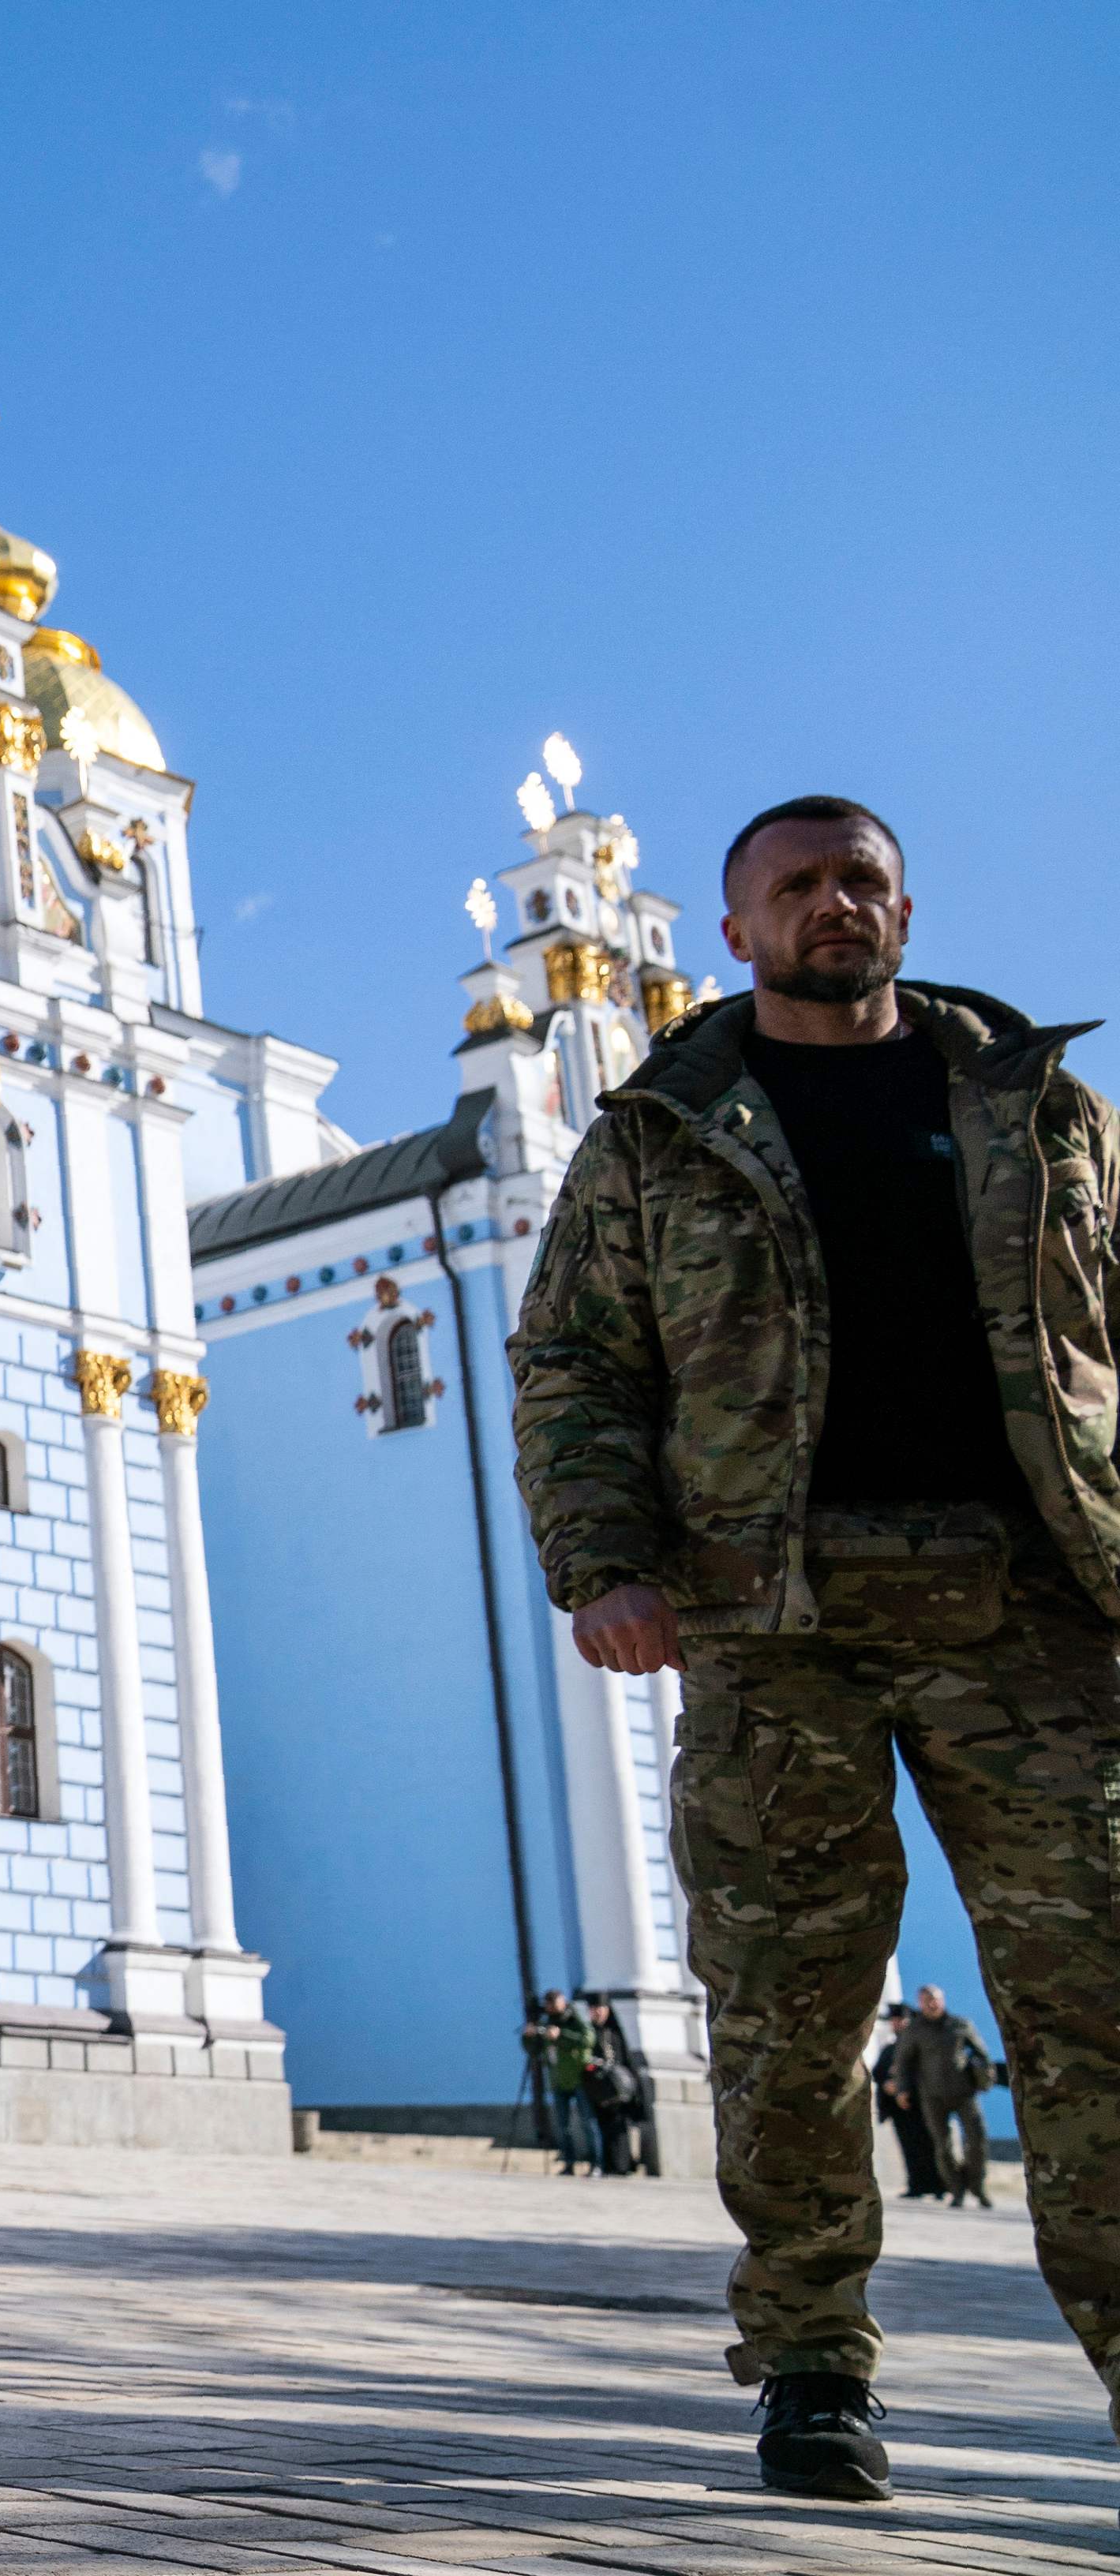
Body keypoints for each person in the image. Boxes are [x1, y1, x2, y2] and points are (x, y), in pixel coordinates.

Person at [512, 795, 1120, 2505]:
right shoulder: (657, 1137)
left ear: (907, 907)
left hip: (1036, 1619)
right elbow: (572, 1367)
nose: (832, 905)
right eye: (797, 886)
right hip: (778, 1630)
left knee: (1099, 2008)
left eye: (860, 879)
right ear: (739, 932)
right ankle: (809, 2363)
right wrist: (605, 1564)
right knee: (788, 2022)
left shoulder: (1044, 1109)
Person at [897, 1984, 997, 2211]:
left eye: (935, 1999)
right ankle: (957, 2190)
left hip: (964, 2093)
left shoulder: (960, 2025)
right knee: (944, 2146)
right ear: (920, 2003)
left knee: (977, 2140)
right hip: (932, 2096)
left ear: (942, 2000)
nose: (931, 2004)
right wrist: (903, 2089)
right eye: (926, 2000)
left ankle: (977, 2185)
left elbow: (982, 2054)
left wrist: (985, 2077)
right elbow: (903, 2062)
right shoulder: (914, 2030)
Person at [871, 2005, 943, 2200]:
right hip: (897, 2108)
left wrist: (904, 2088)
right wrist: (887, 2084)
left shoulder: (920, 2046)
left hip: (919, 2104)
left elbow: (926, 2072)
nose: (897, 2024)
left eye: (900, 2020)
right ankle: (916, 2185)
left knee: (929, 2145)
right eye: (894, 2020)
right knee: (909, 2146)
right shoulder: (889, 2048)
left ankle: (938, 2186)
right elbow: (878, 2072)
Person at [521, 1990, 594, 2173]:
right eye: (549, 2005)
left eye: (555, 2004)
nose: (552, 2008)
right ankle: (569, 2164)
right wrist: (528, 2037)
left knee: (588, 2122)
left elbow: (588, 2040)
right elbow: (535, 2051)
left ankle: (596, 2164)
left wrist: (561, 2035)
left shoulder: (575, 2017)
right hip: (557, 2080)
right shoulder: (546, 2021)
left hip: (579, 2078)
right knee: (564, 2126)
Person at [582, 1997, 651, 2177]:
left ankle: (623, 2165)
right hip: (597, 2088)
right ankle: (606, 2164)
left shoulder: (614, 2032)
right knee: (601, 2126)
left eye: (601, 2008)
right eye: (594, 2009)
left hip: (619, 2087)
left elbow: (625, 2060)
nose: (597, 2012)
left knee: (620, 2126)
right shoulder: (589, 2032)